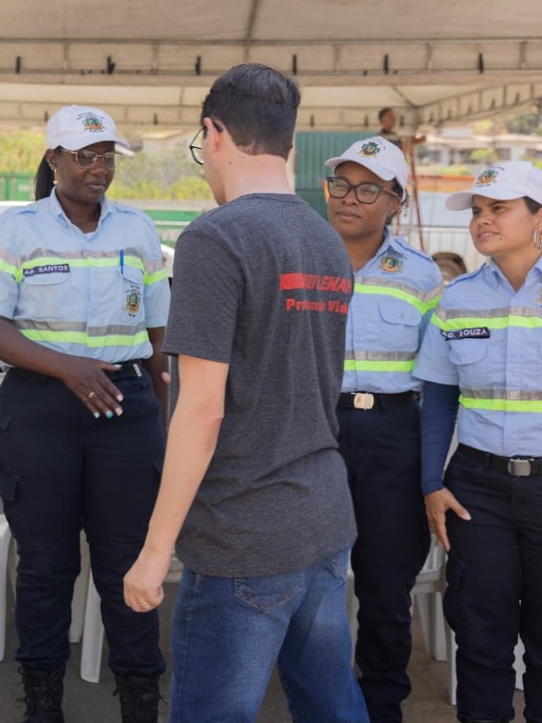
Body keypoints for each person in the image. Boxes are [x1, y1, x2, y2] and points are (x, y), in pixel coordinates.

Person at [124, 63, 369, 723]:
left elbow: (201, 410)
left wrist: (153, 554)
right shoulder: (325, 239)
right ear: (288, 144)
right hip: (321, 516)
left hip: (244, 534)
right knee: (330, 706)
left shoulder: (215, 237)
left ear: (215, 133)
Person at [0, 105, 170, 723]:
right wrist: (67, 368)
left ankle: (139, 699)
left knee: (127, 565)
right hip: (40, 411)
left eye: (107, 155)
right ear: (53, 160)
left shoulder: (137, 230)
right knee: (47, 567)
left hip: (124, 409)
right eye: (85, 156)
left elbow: (160, 335)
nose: (99, 168)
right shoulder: (18, 231)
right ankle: (42, 703)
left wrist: (161, 418)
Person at [414, 161, 542, 723]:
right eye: (478, 211)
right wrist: (432, 484)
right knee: (481, 636)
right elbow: (440, 398)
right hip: (478, 491)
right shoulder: (458, 297)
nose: (483, 220)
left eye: (500, 208)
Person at [324, 136, 443, 722]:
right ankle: (318, 701)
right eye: (341, 184)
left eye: (368, 189)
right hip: (314, 430)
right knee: (306, 580)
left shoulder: (421, 278)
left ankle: (381, 707)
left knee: (385, 585)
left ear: (396, 200)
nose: (350, 198)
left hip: (395, 434)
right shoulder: (301, 262)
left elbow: (440, 379)